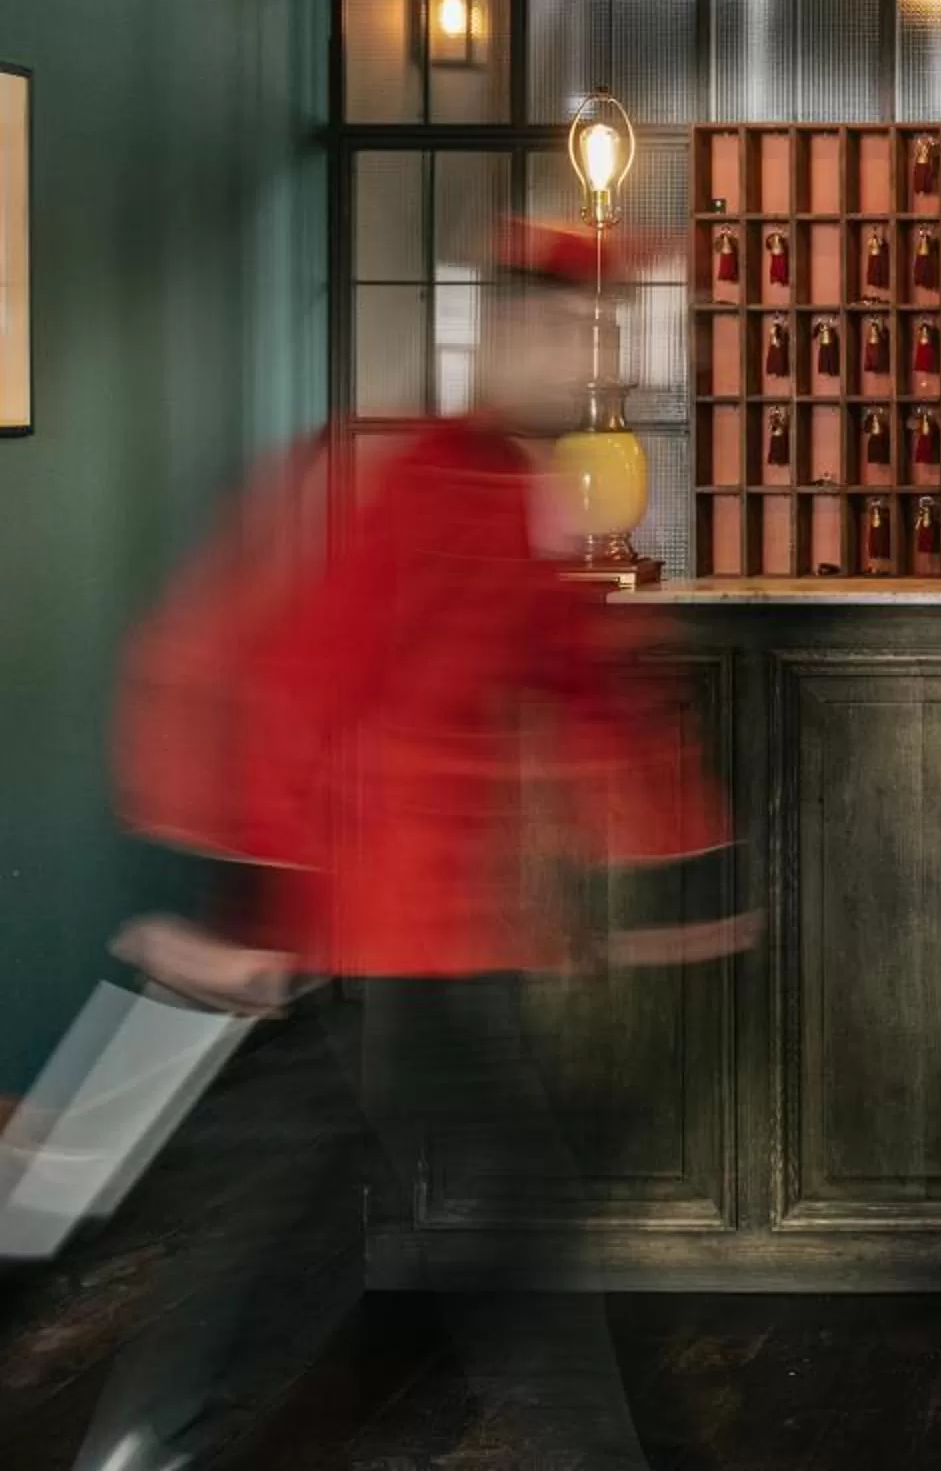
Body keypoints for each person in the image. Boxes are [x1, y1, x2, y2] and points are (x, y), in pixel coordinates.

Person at [83, 219, 747, 1471]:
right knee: (440, 1249)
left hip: (437, 934)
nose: (600, 362)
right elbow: (297, 690)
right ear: (500, 336)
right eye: (571, 334)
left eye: (606, 335)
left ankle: (145, 1445)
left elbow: (581, 684)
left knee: (303, 1243)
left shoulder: (513, 490)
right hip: (369, 937)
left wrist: (681, 869)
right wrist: (251, 916)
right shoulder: (416, 484)